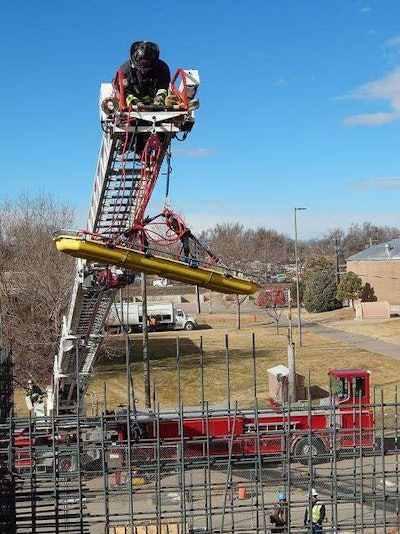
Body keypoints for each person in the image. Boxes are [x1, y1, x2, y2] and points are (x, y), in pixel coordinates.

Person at [119, 41, 171, 107]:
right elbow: (126, 92)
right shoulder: (125, 70)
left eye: (147, 69)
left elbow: (163, 87)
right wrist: (136, 103)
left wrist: (159, 98)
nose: (143, 72)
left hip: (156, 104)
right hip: (134, 107)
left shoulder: (162, 68)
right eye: (140, 69)